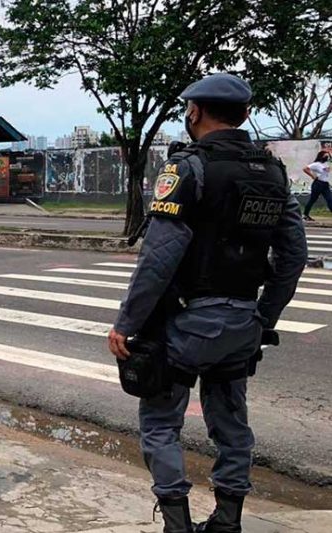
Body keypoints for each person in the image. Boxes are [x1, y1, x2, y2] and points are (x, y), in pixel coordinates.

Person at [107, 73, 307, 533]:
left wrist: (126, 323)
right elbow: (293, 255)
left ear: (194, 112)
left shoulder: (187, 168)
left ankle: (178, 523)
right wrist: (264, 316)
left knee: (159, 423)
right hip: (242, 324)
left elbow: (159, 257)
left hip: (185, 324)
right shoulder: (273, 173)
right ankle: (227, 520)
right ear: (246, 114)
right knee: (231, 422)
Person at [302, 150, 331, 221]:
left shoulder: (326, 164)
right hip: (318, 184)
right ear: (321, 156)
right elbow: (305, 169)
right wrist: (312, 176)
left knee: (330, 199)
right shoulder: (316, 164)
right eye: (325, 156)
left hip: (325, 184)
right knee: (312, 199)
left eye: (327, 156)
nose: (327, 157)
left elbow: (326, 174)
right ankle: (305, 215)